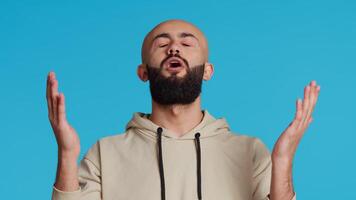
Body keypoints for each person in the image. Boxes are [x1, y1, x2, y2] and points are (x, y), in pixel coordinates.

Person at [47, 19, 320, 200]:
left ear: (208, 71)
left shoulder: (249, 151)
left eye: (187, 44)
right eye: (162, 44)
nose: (174, 48)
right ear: (143, 72)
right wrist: (67, 153)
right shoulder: (104, 153)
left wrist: (283, 161)